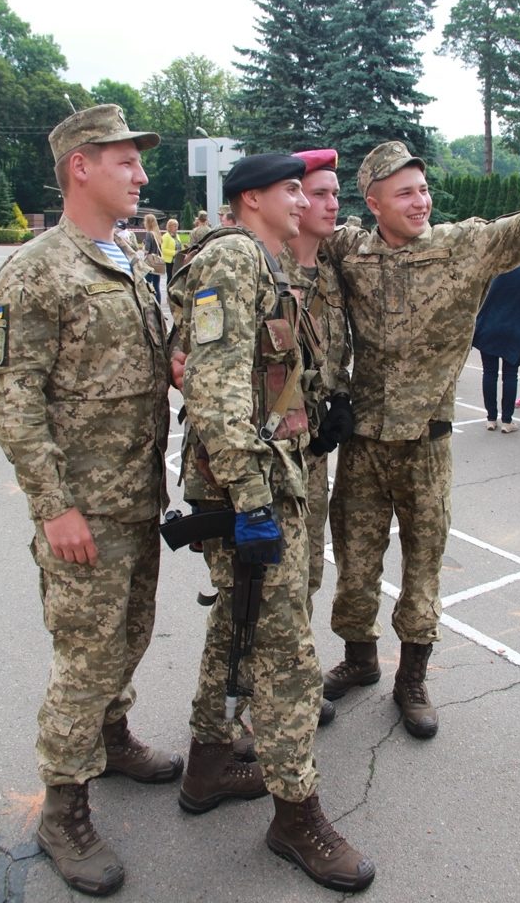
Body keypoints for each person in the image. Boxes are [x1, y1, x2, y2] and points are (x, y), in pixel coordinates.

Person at [321, 139, 520, 739]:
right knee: (355, 562)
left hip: (427, 444)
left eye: (422, 189)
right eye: (404, 193)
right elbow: (294, 232)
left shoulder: (462, 245)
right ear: (374, 204)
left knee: (423, 564)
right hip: (363, 442)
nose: (420, 201)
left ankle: (412, 678)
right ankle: (359, 658)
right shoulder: (350, 251)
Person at [168, 153, 375, 893]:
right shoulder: (233, 256)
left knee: (236, 624)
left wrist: (314, 415)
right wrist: (253, 499)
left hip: (258, 477)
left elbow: (261, 377)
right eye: (291, 188)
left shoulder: (262, 262)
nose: (303, 199)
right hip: (247, 490)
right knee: (285, 655)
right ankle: (296, 815)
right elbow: (214, 390)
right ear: (251, 198)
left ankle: (207, 763)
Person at [0, 104, 181, 897]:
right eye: (125, 161)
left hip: (137, 493)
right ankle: (64, 808)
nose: (140, 174)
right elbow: (13, 397)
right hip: (85, 508)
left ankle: (112, 736)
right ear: (81, 165)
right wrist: (53, 506)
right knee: (85, 657)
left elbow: (129, 357)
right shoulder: (36, 269)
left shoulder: (128, 255)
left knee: (130, 633)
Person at [279, 149, 354, 728]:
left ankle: (294, 681)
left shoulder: (332, 265)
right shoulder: (261, 266)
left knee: (306, 574)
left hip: (315, 454)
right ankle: (254, 701)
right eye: (320, 193)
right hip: (270, 457)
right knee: (265, 584)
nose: (332, 204)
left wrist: (340, 398)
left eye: (335, 193)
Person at [472, 260, 520, 432]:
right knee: (510, 375)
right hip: (515, 326)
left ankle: (491, 418)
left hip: (489, 323)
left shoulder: (493, 261)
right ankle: (507, 420)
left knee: (489, 372)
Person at [142, 212, 164, 302]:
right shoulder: (157, 234)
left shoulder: (149, 234)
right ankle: (158, 303)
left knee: (147, 283)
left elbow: (147, 250)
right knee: (156, 285)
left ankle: (149, 302)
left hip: (150, 262)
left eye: (145, 221)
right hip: (158, 262)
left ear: (148, 222)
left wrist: (144, 246)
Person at [161, 217, 181, 282]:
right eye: (175, 226)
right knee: (170, 277)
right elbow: (163, 249)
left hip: (177, 260)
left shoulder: (177, 235)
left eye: (177, 226)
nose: (176, 228)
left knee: (176, 277)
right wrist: (174, 252)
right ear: (170, 227)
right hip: (169, 261)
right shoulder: (166, 236)